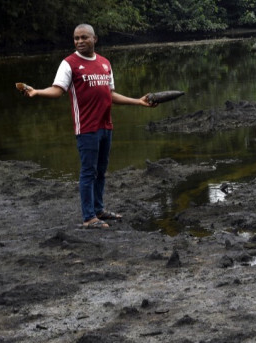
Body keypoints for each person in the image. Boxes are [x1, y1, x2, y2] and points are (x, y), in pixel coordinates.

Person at [22, 23, 158, 229]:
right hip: (86, 127)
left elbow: (110, 95)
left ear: (95, 39)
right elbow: (57, 90)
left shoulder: (104, 63)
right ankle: (88, 217)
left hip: (106, 125)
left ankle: (99, 209)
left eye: (84, 37)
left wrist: (138, 101)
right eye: (76, 38)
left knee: (101, 170)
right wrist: (37, 91)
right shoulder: (69, 63)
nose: (79, 42)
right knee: (88, 171)